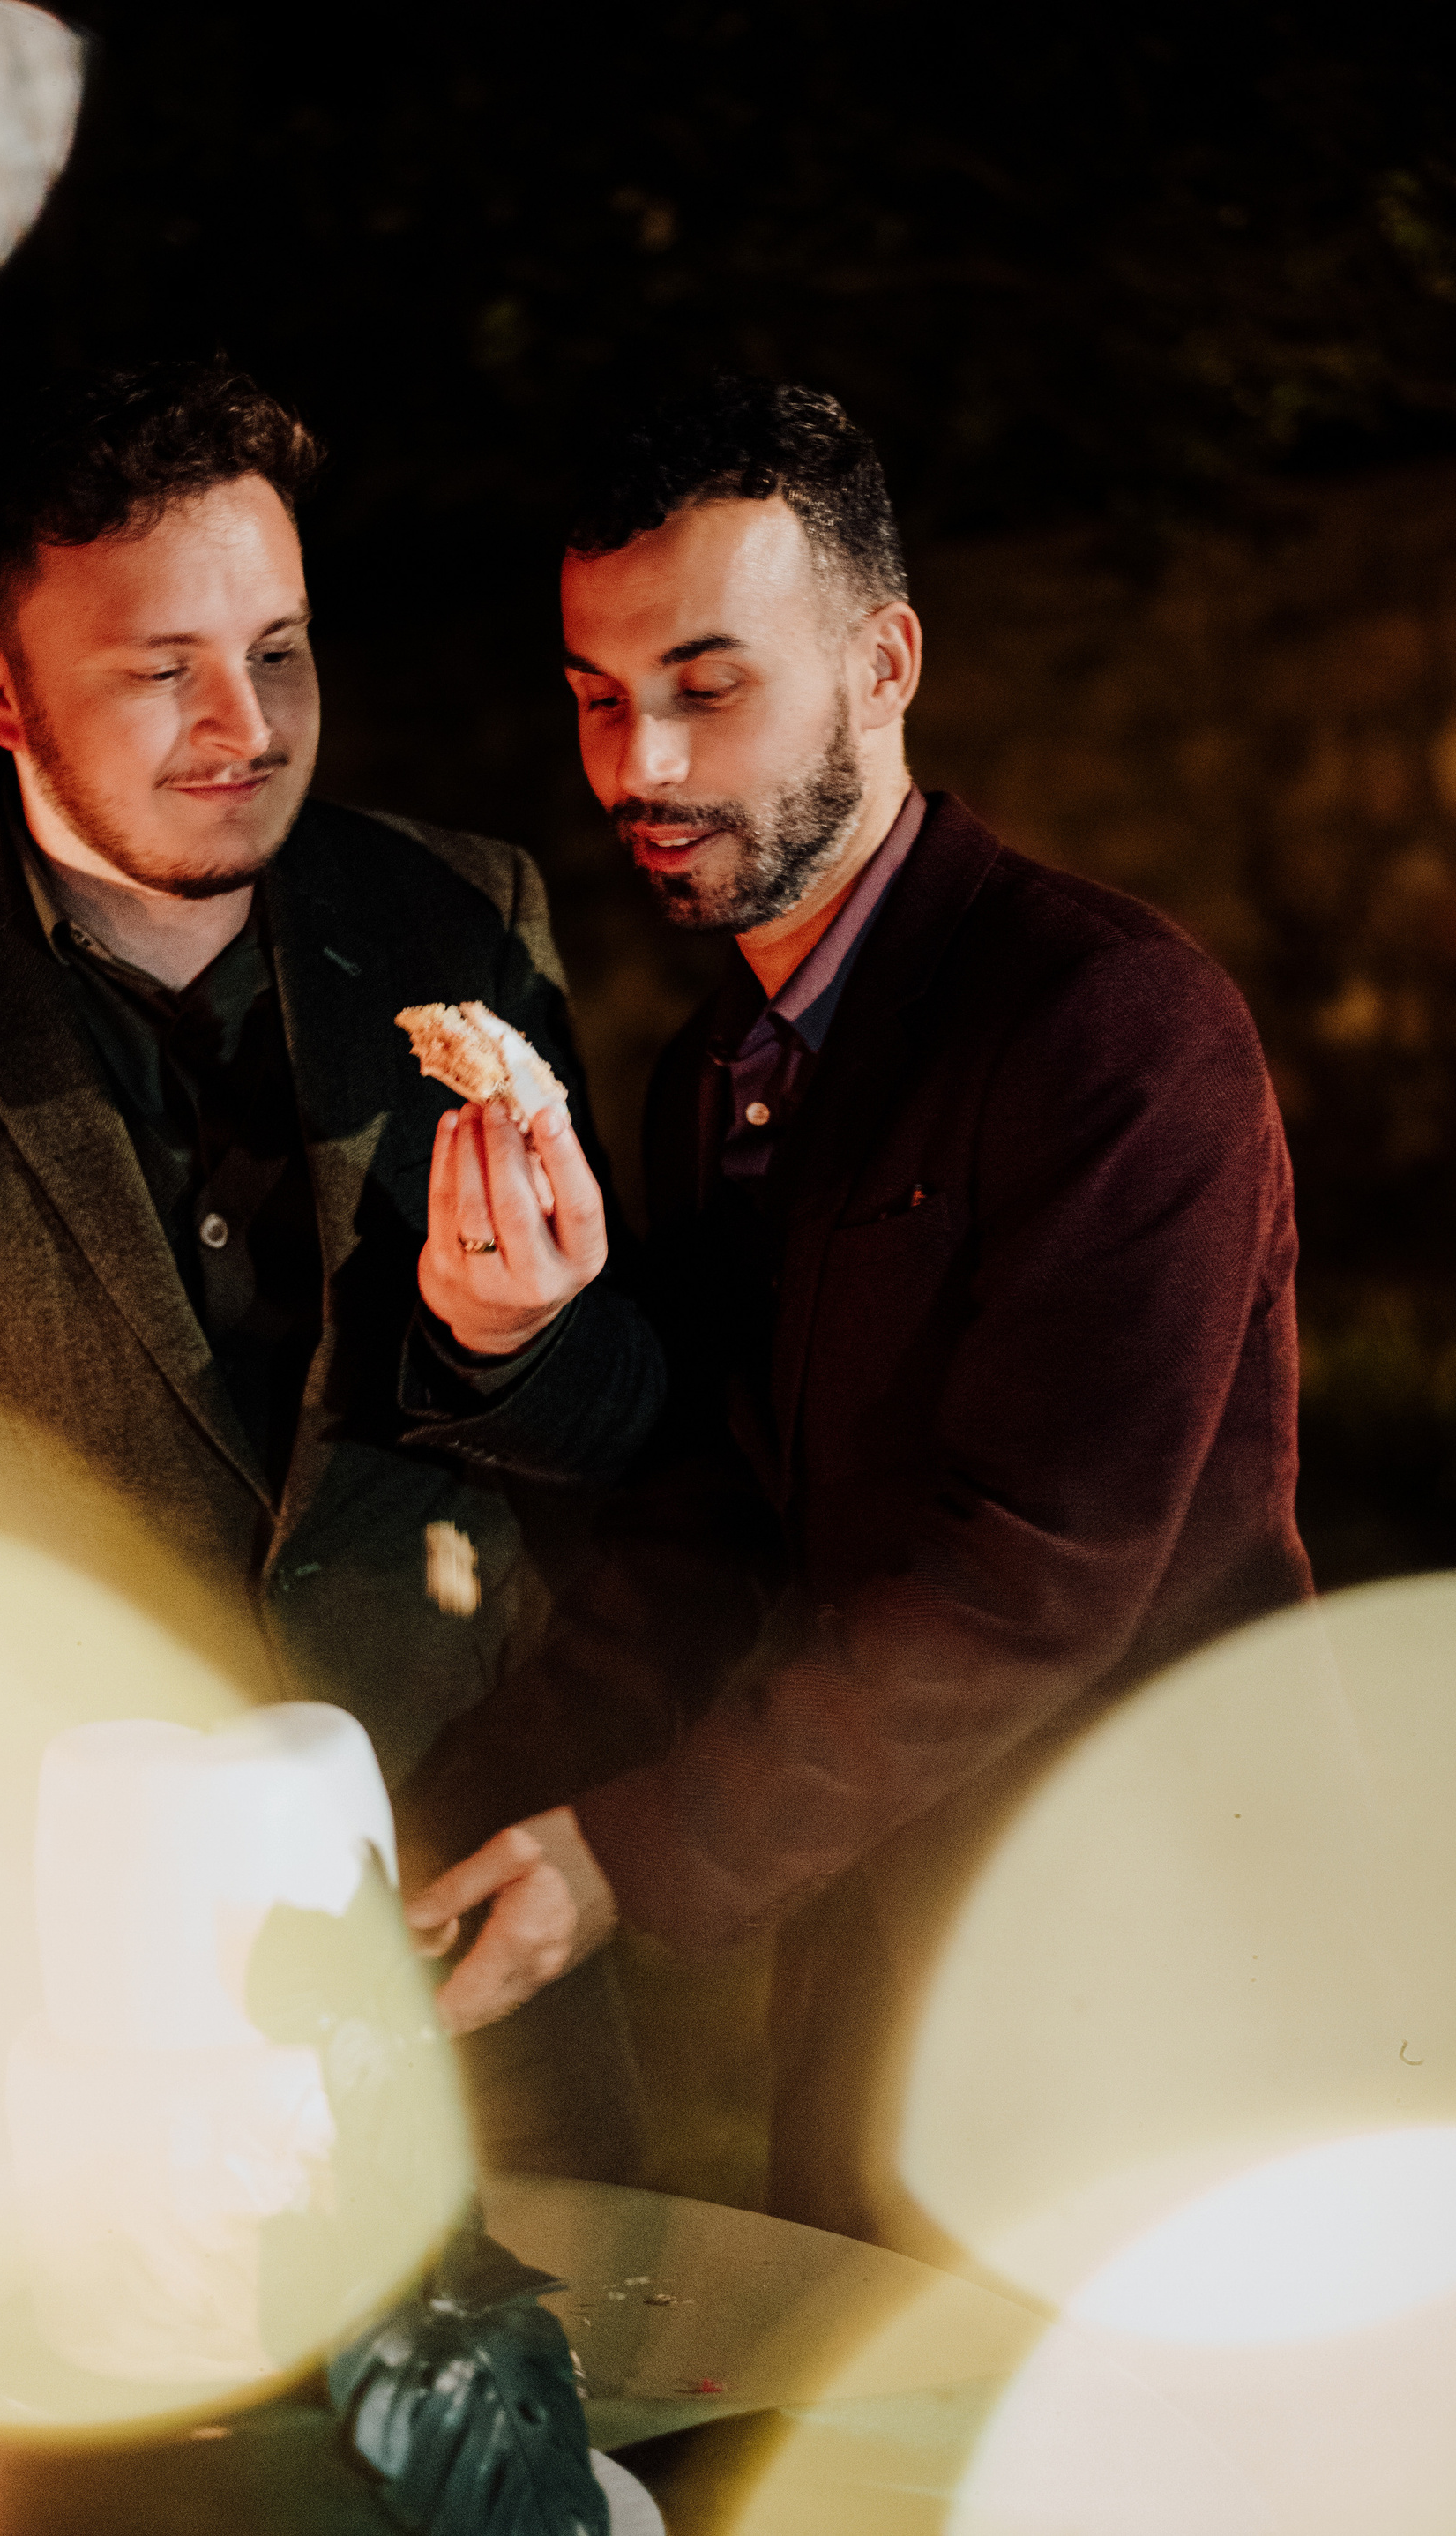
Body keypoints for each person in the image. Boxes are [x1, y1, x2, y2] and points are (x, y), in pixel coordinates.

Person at [402, 377, 1313, 2252]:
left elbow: (1033, 1571)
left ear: (884, 664)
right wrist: (447, 1827)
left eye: (707, 685)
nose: (639, 764)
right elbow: (707, 1525)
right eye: (597, 696)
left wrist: (631, 1856)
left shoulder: (1111, 1024)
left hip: (1156, 1980)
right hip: (871, 1982)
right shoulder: (712, 1071)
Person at [0, 356, 662, 2181]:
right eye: (161, 668)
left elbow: (626, 1433)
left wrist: (520, 1340)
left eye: (279, 647)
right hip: (78, 1994)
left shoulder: (466, 914)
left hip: (460, 1915)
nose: (245, 723)